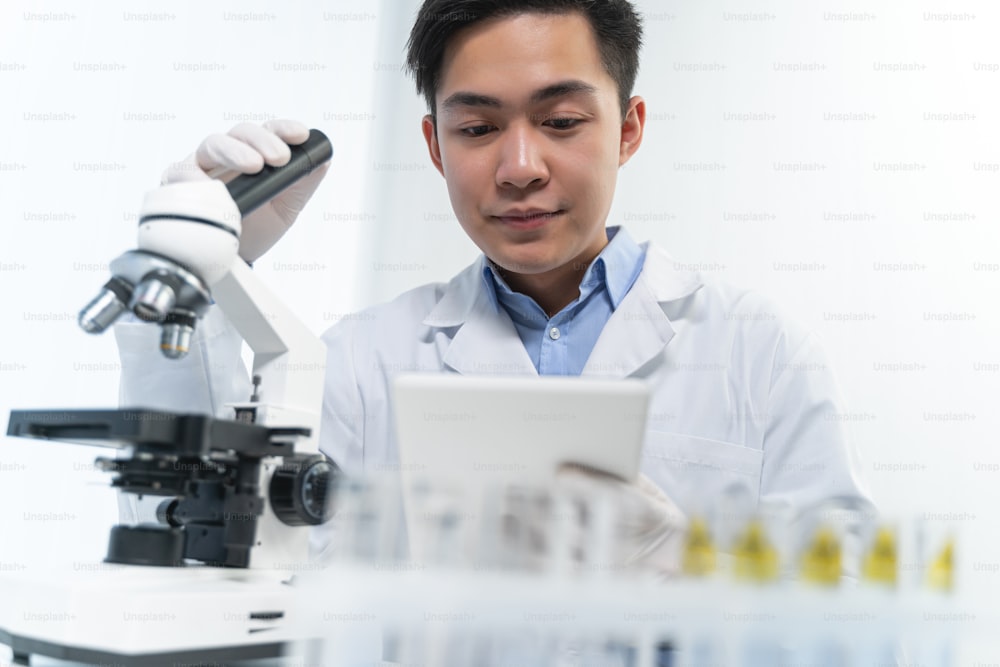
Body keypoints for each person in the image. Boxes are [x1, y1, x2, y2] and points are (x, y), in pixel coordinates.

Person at [117, 0, 873, 575]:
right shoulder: (357, 363)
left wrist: (687, 563)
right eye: (477, 129)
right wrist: (200, 272)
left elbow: (857, 625)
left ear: (629, 128)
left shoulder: (757, 350)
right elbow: (198, 546)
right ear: (436, 147)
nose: (519, 166)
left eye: (562, 120)